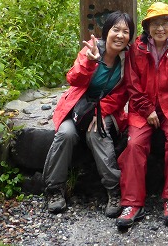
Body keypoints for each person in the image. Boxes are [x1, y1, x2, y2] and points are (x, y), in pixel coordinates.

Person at [43, 11, 134, 216]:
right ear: (107, 31)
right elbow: (73, 79)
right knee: (65, 134)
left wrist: (101, 112)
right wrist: (90, 62)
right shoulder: (91, 50)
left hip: (106, 110)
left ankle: (114, 190)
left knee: (96, 133)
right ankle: (54, 189)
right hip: (77, 108)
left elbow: (123, 94)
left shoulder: (128, 59)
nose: (120, 35)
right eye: (116, 30)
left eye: (126, 31)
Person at [116, 3, 168, 228]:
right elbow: (132, 83)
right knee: (134, 145)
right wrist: (146, 109)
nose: (160, 28)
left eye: (165, 23)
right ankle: (132, 203)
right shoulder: (137, 49)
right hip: (143, 109)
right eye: (155, 24)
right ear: (147, 27)